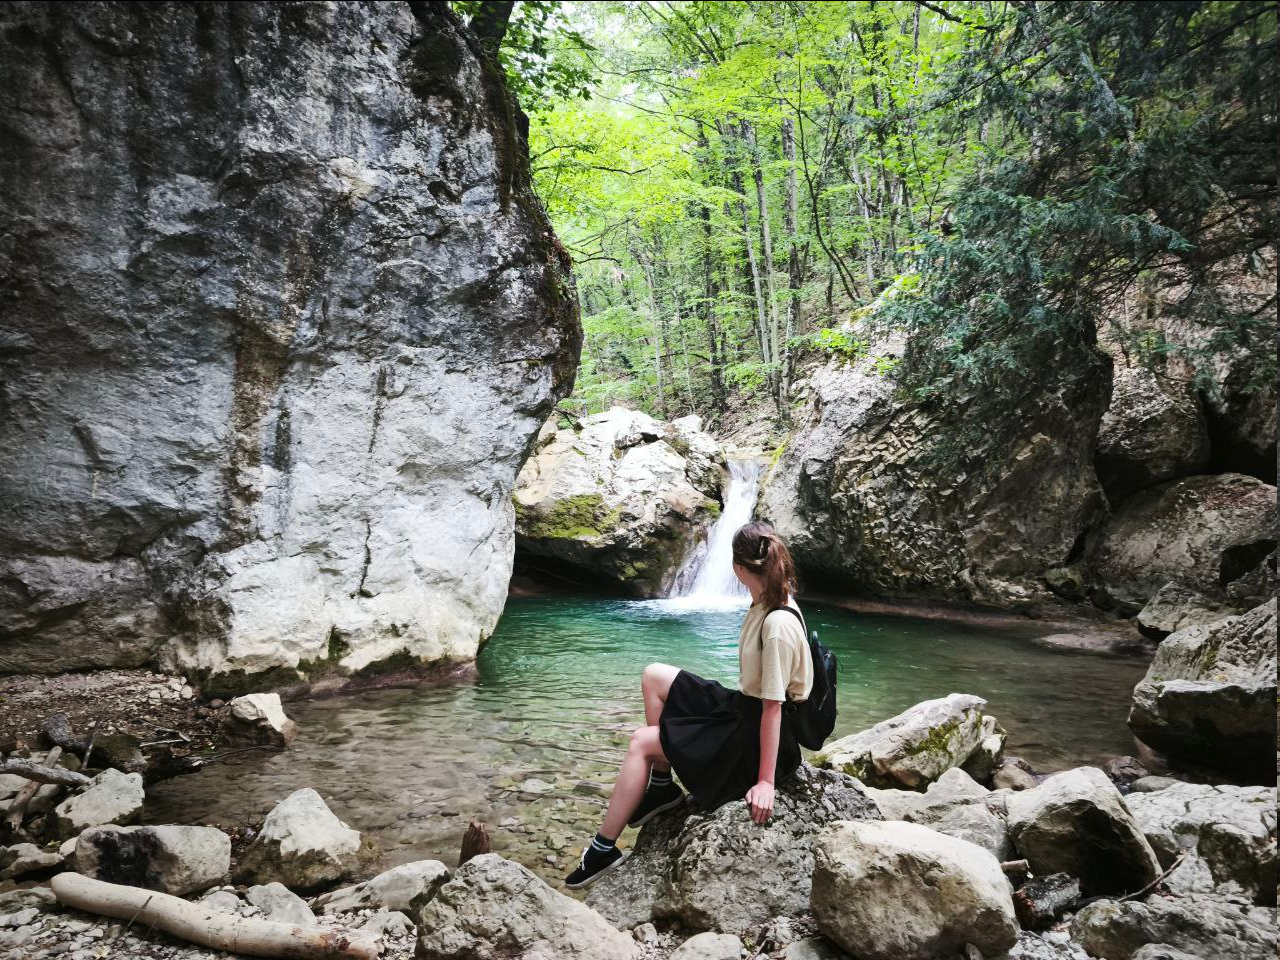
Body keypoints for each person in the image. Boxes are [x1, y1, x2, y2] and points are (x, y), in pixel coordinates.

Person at [564, 520, 814, 889]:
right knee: (654, 675)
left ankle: (603, 848)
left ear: (739, 570)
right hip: (744, 705)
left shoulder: (777, 623)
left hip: (754, 734)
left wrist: (765, 783)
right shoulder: (768, 597)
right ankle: (662, 786)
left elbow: (773, 708)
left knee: (640, 741)